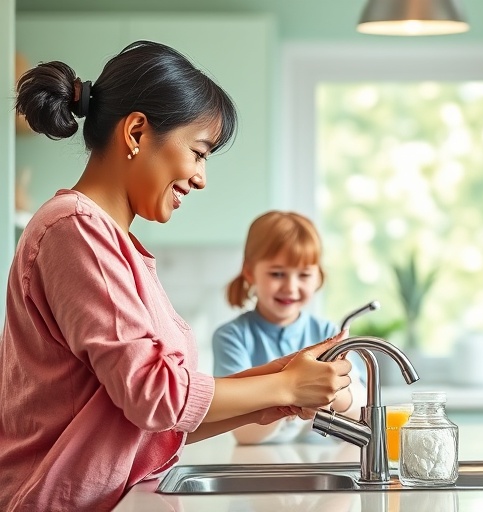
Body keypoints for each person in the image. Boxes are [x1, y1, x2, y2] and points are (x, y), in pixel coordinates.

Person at [0, 41, 354, 512]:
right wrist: (285, 387)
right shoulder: (76, 230)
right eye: (199, 151)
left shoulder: (106, 240)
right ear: (137, 132)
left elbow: (150, 420)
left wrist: (277, 385)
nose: (202, 177)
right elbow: (155, 396)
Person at [212, 210, 368, 444]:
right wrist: (293, 393)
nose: (291, 287)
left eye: (304, 275)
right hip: (258, 463)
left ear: (318, 277)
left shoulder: (327, 334)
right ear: (250, 272)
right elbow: (243, 432)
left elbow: (359, 410)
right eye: (277, 274)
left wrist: (333, 393)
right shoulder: (232, 337)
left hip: (321, 459)